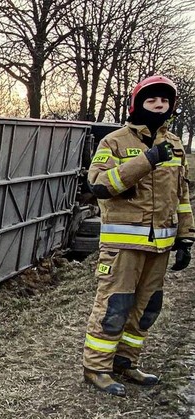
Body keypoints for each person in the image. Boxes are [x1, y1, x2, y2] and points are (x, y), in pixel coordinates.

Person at [83, 75, 194, 397]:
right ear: (138, 104)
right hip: (123, 246)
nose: (159, 105)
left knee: (147, 308)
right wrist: (146, 161)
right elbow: (100, 185)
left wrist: (186, 236)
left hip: (160, 246)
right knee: (114, 306)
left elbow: (182, 193)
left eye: (164, 101)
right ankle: (97, 368)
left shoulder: (174, 145)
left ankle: (126, 362)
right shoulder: (114, 142)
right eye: (151, 100)